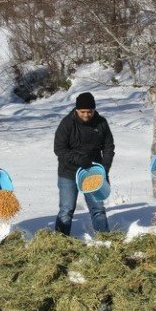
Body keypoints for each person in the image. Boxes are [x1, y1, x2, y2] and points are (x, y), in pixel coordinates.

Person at [54, 92, 115, 236]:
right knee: (66, 209)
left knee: (98, 208)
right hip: (68, 172)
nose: (86, 115)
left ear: (94, 110)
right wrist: (79, 159)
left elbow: (108, 147)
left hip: (93, 173)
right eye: (83, 112)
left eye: (90, 111)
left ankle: (104, 239)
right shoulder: (67, 123)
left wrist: (104, 169)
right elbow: (59, 149)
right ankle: (60, 241)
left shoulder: (101, 123)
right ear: (76, 110)